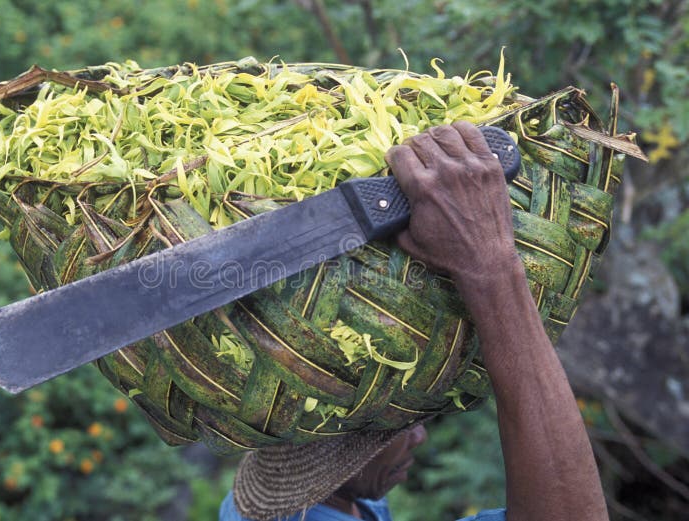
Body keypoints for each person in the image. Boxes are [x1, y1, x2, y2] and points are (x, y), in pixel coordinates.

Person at [219, 121, 609, 521]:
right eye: (395, 427)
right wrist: (491, 268)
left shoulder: (321, 502)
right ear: (333, 440)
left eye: (404, 423)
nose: (419, 436)